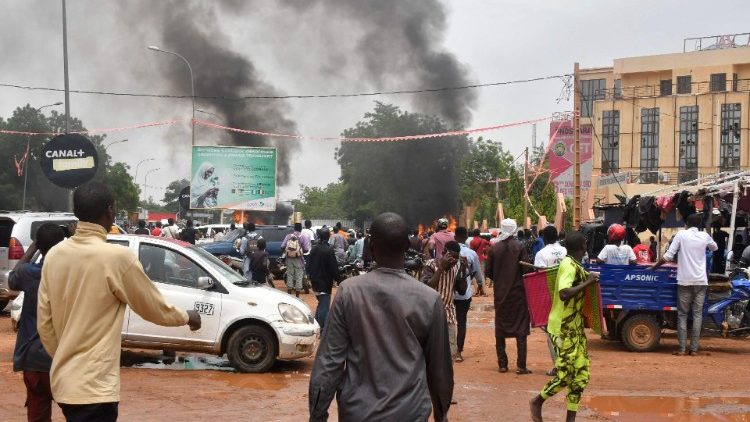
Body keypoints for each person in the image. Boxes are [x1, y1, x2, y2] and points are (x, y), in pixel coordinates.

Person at [37, 182, 201, 422]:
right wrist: (187, 316)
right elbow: (152, 307)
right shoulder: (117, 258)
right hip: (95, 389)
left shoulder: (54, 255)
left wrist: (65, 357)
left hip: (64, 384)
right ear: (110, 211)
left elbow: (44, 322)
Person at [309, 212, 453, 421]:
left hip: (358, 412)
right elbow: (440, 371)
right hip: (409, 413)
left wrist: (317, 416)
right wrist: (442, 416)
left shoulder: (349, 292)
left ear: (371, 246)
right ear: (407, 246)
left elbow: (329, 363)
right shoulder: (429, 299)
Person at [530, 232, 600, 422]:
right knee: (567, 374)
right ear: (583, 247)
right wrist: (588, 281)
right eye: (585, 244)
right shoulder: (568, 265)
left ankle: (570, 419)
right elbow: (563, 293)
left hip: (575, 327)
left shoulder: (575, 264)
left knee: (581, 376)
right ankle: (537, 401)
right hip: (562, 327)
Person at [9, 223, 65, 422]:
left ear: (39, 245)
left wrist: (33, 247)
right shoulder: (70, 274)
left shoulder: (29, 273)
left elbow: (12, 280)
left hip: (33, 359)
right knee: (80, 414)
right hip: (65, 359)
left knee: (38, 414)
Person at [651, 213, 718, 356]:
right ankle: (693, 349)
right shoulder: (704, 236)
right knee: (697, 315)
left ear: (686, 223)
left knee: (682, 314)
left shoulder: (681, 235)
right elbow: (715, 248)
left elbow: (668, 256)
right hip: (700, 281)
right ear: (699, 224)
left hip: (684, 281)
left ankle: (682, 349)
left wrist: (654, 267)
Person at [485, 218, 532, 375]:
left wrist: (500, 280)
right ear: (514, 230)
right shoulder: (520, 247)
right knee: (521, 330)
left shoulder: (494, 249)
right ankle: (521, 365)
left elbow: (488, 272)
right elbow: (526, 270)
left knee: (500, 329)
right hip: (518, 295)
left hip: (500, 294)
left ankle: (502, 364)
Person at [421, 241, 468, 359]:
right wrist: (441, 268)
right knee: (431, 352)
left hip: (448, 313)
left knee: (451, 352)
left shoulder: (456, 267)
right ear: (443, 254)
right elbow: (428, 286)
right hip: (430, 314)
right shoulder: (430, 265)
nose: (453, 262)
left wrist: (463, 269)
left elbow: (462, 291)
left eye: (456, 259)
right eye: (451, 258)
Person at [533, 225, 567, 377]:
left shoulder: (541, 254)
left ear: (544, 238)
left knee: (552, 333)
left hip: (551, 297)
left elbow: (540, 278)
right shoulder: (565, 251)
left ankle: (558, 366)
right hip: (567, 294)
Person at [453, 227, 483, 363]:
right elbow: (477, 272)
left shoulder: (447, 252)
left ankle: (446, 350)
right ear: (465, 237)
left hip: (448, 293)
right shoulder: (471, 254)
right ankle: (458, 352)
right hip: (464, 295)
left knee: (447, 322)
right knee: (461, 322)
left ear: (454, 237)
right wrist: (481, 284)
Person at [306, 228, 341, 330]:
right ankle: (322, 329)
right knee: (324, 308)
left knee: (321, 304)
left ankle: (316, 325)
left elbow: (308, 265)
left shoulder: (314, 248)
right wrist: (339, 279)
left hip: (315, 282)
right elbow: (333, 267)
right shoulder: (329, 250)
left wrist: (310, 277)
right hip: (325, 283)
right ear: (328, 236)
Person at [282, 223, 311, 297]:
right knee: (299, 276)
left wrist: (288, 252)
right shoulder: (303, 237)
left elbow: (282, 246)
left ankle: (289, 294)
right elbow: (306, 249)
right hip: (299, 260)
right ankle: (297, 296)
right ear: (301, 229)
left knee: (290, 275)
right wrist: (299, 252)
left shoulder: (288, 236)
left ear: (294, 229)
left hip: (289, 260)